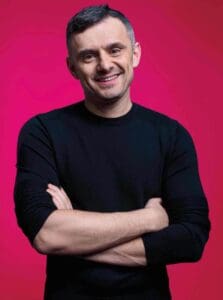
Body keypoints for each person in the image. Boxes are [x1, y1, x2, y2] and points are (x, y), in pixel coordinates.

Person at [14, 4, 210, 300]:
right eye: (89, 56)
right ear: (72, 67)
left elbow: (191, 240)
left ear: (135, 53)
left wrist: (75, 236)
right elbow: (46, 234)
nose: (104, 65)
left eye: (115, 50)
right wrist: (149, 219)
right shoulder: (42, 132)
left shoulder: (171, 136)